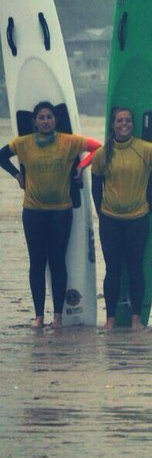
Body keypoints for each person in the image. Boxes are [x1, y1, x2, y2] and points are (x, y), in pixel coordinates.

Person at [0, 101, 100, 328]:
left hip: (60, 211)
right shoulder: (23, 143)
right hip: (33, 211)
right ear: (35, 122)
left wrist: (81, 166)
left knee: (57, 262)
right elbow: (1, 155)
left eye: (49, 117)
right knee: (37, 263)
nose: (45, 121)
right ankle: (38, 316)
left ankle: (57, 316)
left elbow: (97, 148)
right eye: (41, 117)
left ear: (55, 120)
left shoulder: (69, 141)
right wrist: (17, 175)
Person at [91, 106, 152, 330]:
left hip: (138, 219)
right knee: (112, 269)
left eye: (128, 121)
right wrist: (100, 212)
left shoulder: (143, 148)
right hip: (110, 220)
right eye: (120, 121)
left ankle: (136, 319)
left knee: (135, 268)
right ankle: (110, 319)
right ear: (113, 125)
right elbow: (95, 185)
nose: (124, 124)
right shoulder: (102, 153)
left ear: (133, 124)